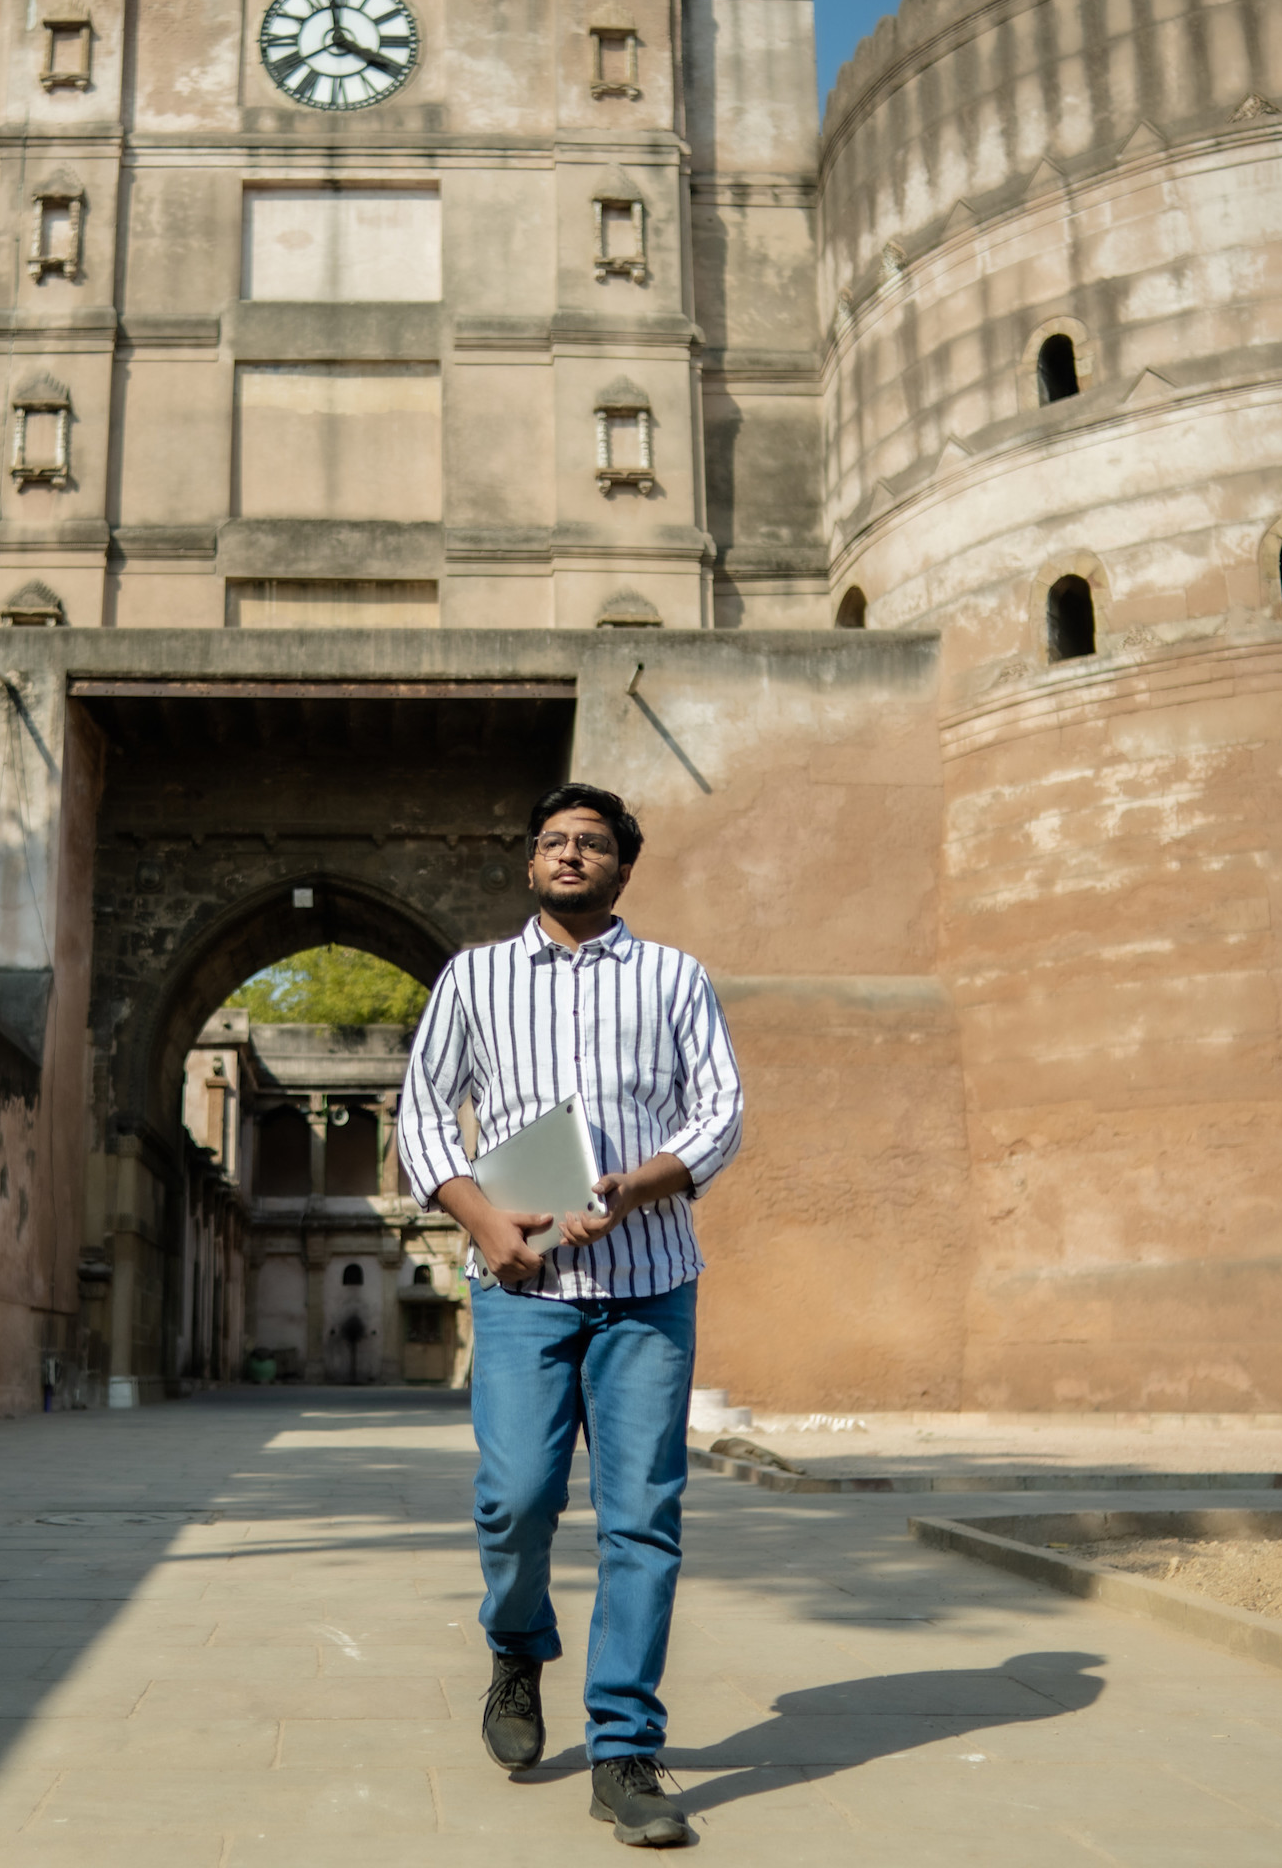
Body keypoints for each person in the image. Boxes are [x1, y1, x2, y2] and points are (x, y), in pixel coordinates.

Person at [397, 781, 744, 1848]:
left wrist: (637, 1188)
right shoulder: (476, 978)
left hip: (648, 1285)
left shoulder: (674, 977)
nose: (569, 854)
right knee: (515, 1497)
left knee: (643, 1521)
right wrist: (488, 1226)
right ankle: (517, 1647)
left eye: (591, 843)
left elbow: (720, 1108)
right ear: (531, 862)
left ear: (623, 867)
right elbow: (421, 1112)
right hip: (524, 1287)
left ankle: (625, 1746)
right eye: (552, 840)